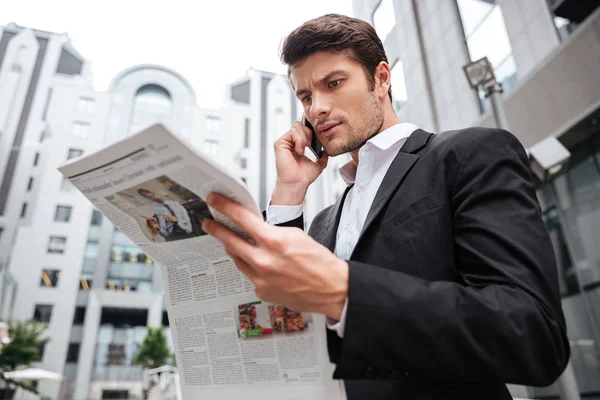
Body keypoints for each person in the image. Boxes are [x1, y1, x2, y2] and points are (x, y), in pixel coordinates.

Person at [200, 13, 570, 400]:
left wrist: (345, 292)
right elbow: (290, 320)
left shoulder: (467, 155)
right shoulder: (325, 221)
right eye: (306, 97)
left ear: (381, 78)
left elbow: (533, 334)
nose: (316, 109)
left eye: (334, 83)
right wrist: (289, 192)